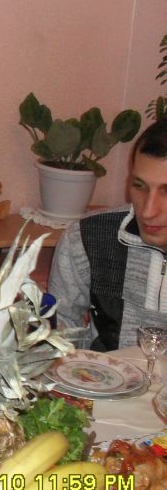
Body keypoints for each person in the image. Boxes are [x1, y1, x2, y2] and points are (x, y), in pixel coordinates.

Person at [49, 118, 167, 351]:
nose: (148, 210)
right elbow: (57, 329)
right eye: (139, 186)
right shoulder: (87, 238)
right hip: (101, 373)